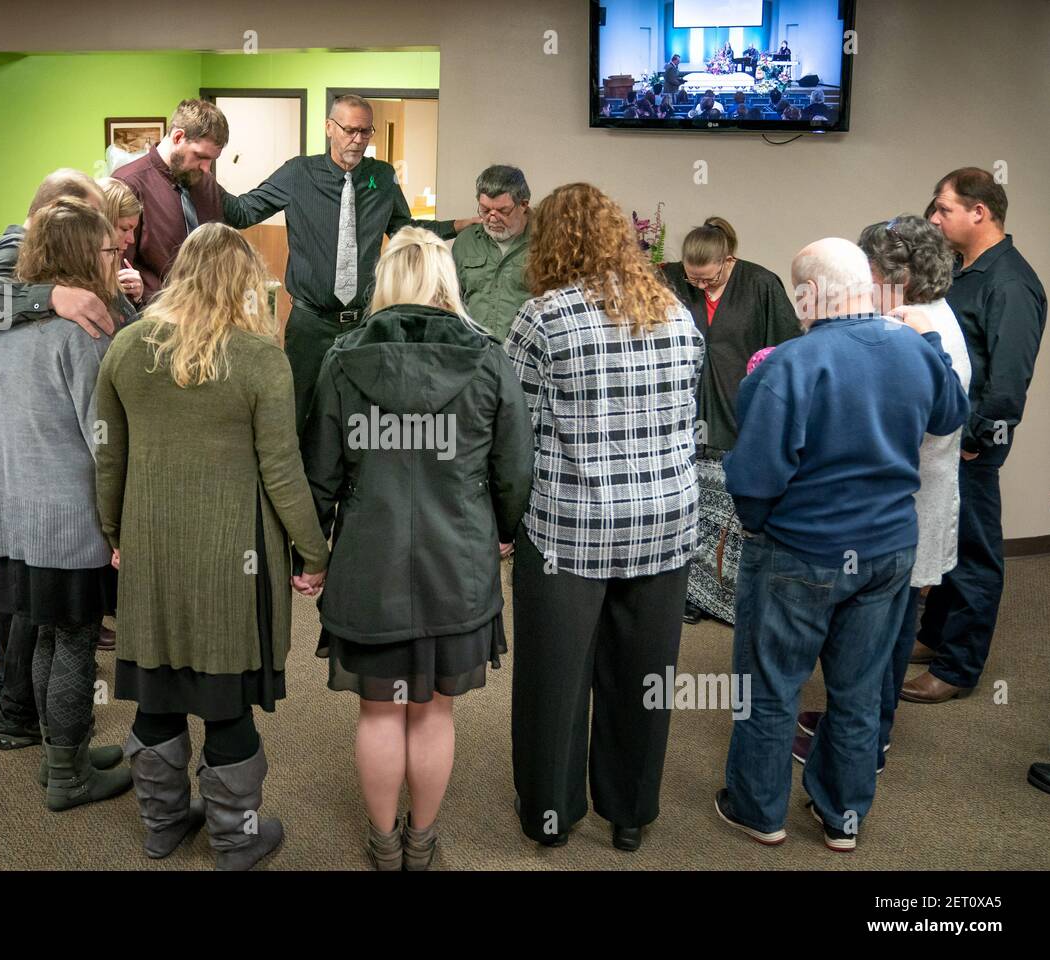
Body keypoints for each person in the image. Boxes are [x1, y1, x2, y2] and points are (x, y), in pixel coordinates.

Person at [714, 238, 968, 852]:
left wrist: (760, 525)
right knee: (857, 692)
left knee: (771, 687)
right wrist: (929, 342)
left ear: (807, 296)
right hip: (888, 553)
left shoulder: (789, 365)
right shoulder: (914, 349)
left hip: (800, 551)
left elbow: (752, 480)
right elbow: (950, 413)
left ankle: (759, 811)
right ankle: (842, 818)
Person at [96, 222, 329, 869]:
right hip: (235, 556)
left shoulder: (128, 345)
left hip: (152, 548)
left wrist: (114, 532)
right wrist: (314, 553)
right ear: (245, 283)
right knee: (225, 705)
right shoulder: (259, 357)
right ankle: (234, 838)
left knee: (157, 693)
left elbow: (106, 453)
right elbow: (283, 471)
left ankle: (161, 826)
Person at [301, 228, 532, 870]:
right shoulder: (489, 360)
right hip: (456, 561)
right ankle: (422, 844)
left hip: (368, 561)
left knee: (380, 712)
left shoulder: (342, 359)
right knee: (431, 713)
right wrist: (504, 527)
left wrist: (309, 554)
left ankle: (381, 843)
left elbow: (319, 471)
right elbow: (516, 469)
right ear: (445, 280)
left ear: (386, 282)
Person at [505, 184, 703, 853]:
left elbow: (517, 436)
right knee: (644, 677)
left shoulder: (543, 317)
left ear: (551, 242)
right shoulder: (677, 313)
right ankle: (629, 813)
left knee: (553, 682)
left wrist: (506, 522)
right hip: (664, 524)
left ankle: (552, 814)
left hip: (570, 528)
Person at [0, 198, 134, 812]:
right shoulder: (82, 334)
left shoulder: (0, 324)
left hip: (13, 517)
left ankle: (66, 755)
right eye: (111, 249)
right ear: (86, 255)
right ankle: (68, 777)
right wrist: (120, 524)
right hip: (70, 523)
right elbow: (102, 440)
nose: (120, 256)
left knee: (46, 640)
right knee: (74, 643)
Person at [794, 216, 972, 770]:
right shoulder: (910, 322)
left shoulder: (921, 329)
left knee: (888, 636)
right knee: (882, 631)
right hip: (898, 502)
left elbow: (924, 418)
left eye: (866, 269)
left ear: (897, 274)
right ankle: (859, 728)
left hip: (907, 501)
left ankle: (869, 742)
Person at [222, 94, 478, 433]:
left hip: (363, 322)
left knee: (361, 417)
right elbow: (242, 212)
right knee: (301, 414)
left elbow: (404, 229)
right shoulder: (299, 173)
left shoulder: (380, 177)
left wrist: (457, 226)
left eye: (365, 131)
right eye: (349, 130)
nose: (358, 140)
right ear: (330, 128)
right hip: (310, 323)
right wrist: (197, 177)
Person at [904, 168, 1047, 702]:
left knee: (973, 551)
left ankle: (958, 669)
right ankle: (937, 637)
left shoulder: (1010, 282)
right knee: (945, 537)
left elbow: (1010, 379)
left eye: (942, 209)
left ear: (978, 212)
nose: (933, 218)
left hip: (974, 438)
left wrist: (977, 438)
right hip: (951, 433)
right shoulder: (969, 271)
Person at [662, 218, 802, 626]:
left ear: (728, 260)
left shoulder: (761, 284)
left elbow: (786, 350)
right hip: (685, 414)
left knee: (730, 511)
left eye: (708, 279)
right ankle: (690, 596)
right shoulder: (672, 280)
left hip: (737, 413)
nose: (699, 287)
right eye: (693, 280)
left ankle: (728, 599)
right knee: (689, 510)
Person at [113, 98, 228, 302]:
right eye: (200, 156)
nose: (206, 168)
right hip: (152, 319)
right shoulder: (129, 184)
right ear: (177, 137)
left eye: (212, 160)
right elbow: (118, 270)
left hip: (207, 314)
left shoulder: (207, 185)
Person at [454, 165, 533, 343]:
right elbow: (453, 304)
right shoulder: (466, 242)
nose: (492, 218)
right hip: (476, 357)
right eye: (485, 210)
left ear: (523, 205)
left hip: (524, 359)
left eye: (503, 211)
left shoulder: (547, 242)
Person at [96, 176, 145, 311]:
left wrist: (136, 299)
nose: (131, 240)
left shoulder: (121, 265)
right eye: (124, 229)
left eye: (133, 230)